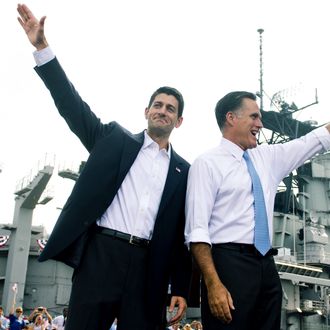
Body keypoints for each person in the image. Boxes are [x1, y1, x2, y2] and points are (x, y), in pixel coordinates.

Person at [17, 4, 191, 330]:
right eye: (157, 105)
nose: (162, 111)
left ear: (179, 120)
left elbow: (182, 232)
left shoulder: (185, 172)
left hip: (147, 266)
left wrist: (179, 286)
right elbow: (72, 105)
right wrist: (42, 48)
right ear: (146, 111)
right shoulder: (112, 138)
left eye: (170, 108)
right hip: (101, 256)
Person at [184, 91, 330, 329]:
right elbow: (197, 231)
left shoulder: (268, 158)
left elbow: (312, 141)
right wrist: (213, 284)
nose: (260, 124)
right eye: (254, 117)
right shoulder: (207, 163)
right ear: (231, 118)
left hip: (266, 265)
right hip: (228, 264)